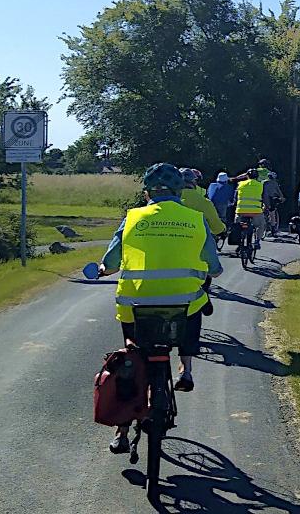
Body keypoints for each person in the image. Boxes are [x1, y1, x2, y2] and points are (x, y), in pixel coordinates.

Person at [98, 162, 223, 453]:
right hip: (182, 306)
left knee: (131, 359)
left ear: (146, 193)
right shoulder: (194, 219)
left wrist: (103, 269)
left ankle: (122, 431)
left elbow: (111, 262)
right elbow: (214, 268)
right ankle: (186, 369)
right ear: (180, 192)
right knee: (195, 306)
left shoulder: (132, 219)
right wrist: (209, 271)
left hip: (136, 307)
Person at [179, 168, 226, 236]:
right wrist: (224, 228)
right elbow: (217, 229)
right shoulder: (205, 202)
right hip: (194, 241)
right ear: (194, 182)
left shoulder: (165, 200)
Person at [235, 169, 266, 248]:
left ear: (247, 176)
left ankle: (239, 243)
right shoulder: (260, 185)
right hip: (256, 212)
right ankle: (257, 241)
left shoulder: (240, 184)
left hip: (241, 211)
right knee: (261, 225)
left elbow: (235, 197)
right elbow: (263, 197)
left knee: (237, 226)